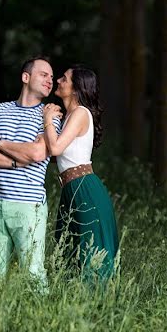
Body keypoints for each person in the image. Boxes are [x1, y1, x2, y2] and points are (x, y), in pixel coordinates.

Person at [0, 56, 60, 290]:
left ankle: (44, 322)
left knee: (33, 273)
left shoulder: (50, 116)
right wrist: (13, 163)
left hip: (28, 204)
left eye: (52, 77)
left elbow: (37, 153)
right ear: (25, 77)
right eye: (44, 74)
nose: (50, 80)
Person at [41, 66, 118, 282]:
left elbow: (55, 149)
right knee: (67, 249)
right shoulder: (69, 116)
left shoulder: (81, 113)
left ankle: (96, 307)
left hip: (84, 188)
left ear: (76, 89)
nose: (58, 80)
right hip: (72, 189)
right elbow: (57, 155)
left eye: (64, 79)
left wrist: (47, 118)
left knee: (89, 251)